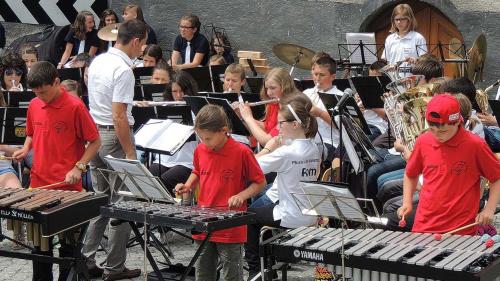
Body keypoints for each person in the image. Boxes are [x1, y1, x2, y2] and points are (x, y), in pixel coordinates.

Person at [12, 61, 100, 281]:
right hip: (38, 184)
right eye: (36, 93)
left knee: (68, 249)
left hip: (67, 189)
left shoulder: (75, 106)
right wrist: (25, 148)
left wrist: (79, 167)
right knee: (40, 249)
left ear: (57, 82)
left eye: (44, 92)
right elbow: (31, 133)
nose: (40, 97)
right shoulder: (34, 104)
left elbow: (95, 142)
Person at [81, 19, 147, 281]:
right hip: (113, 136)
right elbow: (119, 116)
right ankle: (114, 267)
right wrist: (130, 154)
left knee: (100, 199)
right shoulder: (123, 69)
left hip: (95, 135)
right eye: (142, 45)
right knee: (123, 203)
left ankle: (85, 258)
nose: (142, 50)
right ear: (135, 41)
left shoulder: (98, 61)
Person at [175, 104, 266, 281]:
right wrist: (188, 186)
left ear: (224, 130)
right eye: (201, 138)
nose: (204, 143)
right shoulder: (200, 149)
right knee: (203, 272)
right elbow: (197, 171)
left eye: (208, 138)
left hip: (230, 223)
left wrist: (241, 196)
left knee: (231, 274)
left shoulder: (241, 152)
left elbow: (260, 182)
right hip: (204, 219)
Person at [398, 94, 500, 235]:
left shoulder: (474, 145)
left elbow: (497, 178)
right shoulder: (423, 141)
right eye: (432, 130)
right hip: (423, 226)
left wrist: (489, 209)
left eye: (443, 131)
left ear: (457, 122)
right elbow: (410, 174)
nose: (437, 135)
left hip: (460, 229)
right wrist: (407, 202)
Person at [245, 94, 321, 280]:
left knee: (248, 218)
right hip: (310, 213)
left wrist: (269, 148)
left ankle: (258, 271)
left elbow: (251, 167)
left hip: (290, 214)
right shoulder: (314, 147)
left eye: (281, 123)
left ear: (294, 124)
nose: (277, 128)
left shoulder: (287, 153)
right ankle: (269, 265)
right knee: (262, 207)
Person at [149, 71, 198, 193]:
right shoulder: (165, 108)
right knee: (149, 179)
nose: (179, 95)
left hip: (186, 161)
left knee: (163, 183)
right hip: (166, 159)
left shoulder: (196, 109)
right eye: (175, 92)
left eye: (182, 91)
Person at [239, 67, 299, 146]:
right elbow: (267, 127)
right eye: (267, 88)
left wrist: (249, 118)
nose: (268, 93)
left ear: (285, 87)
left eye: (273, 88)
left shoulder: (290, 110)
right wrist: (242, 116)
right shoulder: (273, 104)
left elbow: (267, 141)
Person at [382, 4, 427, 68]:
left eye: (402, 19)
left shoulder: (418, 38)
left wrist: (416, 60)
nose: (399, 22)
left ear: (409, 20)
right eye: (396, 19)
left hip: (412, 76)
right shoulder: (390, 39)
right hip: (393, 77)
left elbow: (425, 62)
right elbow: (387, 61)